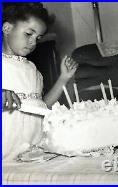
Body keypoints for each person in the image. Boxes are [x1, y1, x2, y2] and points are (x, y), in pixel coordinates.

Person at [2, 3, 78, 160]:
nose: (33, 42)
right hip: (7, 153)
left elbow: (42, 106)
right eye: (29, 34)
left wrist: (63, 78)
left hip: (35, 149)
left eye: (38, 38)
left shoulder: (32, 69)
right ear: (7, 28)